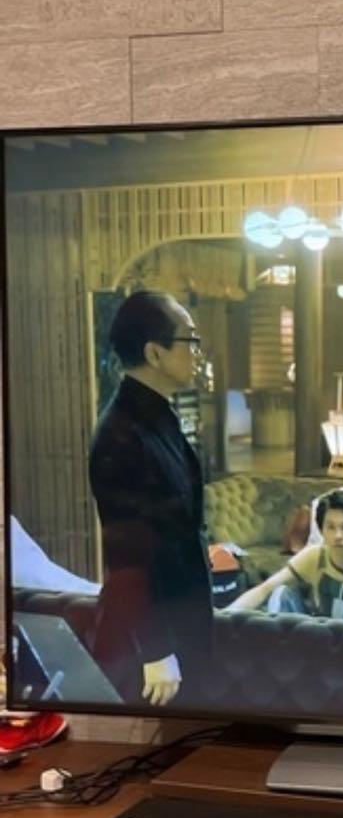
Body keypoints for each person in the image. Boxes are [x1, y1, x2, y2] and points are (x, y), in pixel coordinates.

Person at [88, 291, 212, 707]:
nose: (198, 353)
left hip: (185, 616)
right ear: (154, 353)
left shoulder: (157, 414)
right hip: (156, 642)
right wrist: (156, 650)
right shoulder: (121, 433)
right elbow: (127, 555)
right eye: (190, 340)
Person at [226, 491, 343, 622]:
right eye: (330, 527)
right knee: (281, 593)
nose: (338, 535)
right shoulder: (314, 556)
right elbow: (265, 589)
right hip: (316, 642)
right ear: (321, 530)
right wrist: (223, 618)